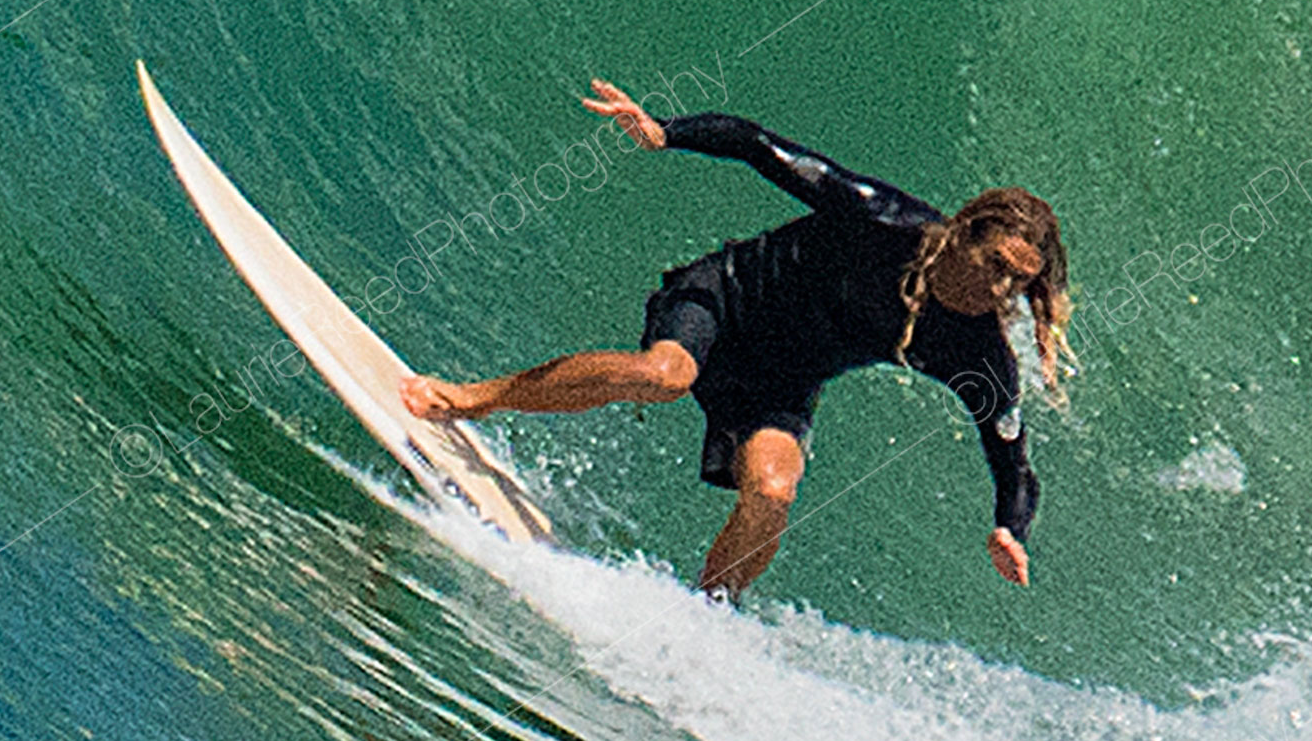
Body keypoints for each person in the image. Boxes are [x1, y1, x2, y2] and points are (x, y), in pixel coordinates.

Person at [401, 81, 1073, 597]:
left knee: (775, 490)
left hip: (781, 382)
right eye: (995, 266)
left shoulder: (978, 354)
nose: (1000, 291)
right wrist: (666, 132)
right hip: (725, 300)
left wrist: (1010, 529)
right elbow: (758, 145)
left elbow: (1012, 462)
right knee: (666, 374)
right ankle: (470, 399)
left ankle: (705, 614)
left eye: (1017, 283)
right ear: (964, 234)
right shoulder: (881, 220)